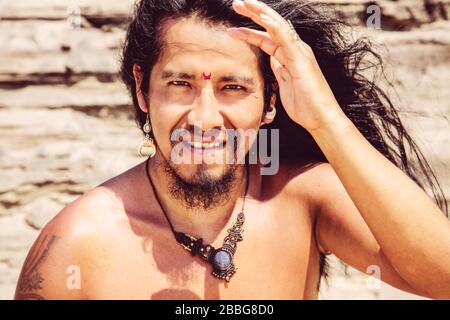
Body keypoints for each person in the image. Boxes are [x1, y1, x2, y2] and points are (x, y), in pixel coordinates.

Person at [15, 0, 450, 300]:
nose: (204, 119)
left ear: (271, 102)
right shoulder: (76, 246)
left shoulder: (302, 199)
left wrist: (324, 119)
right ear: (143, 90)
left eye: (233, 87)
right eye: (179, 84)